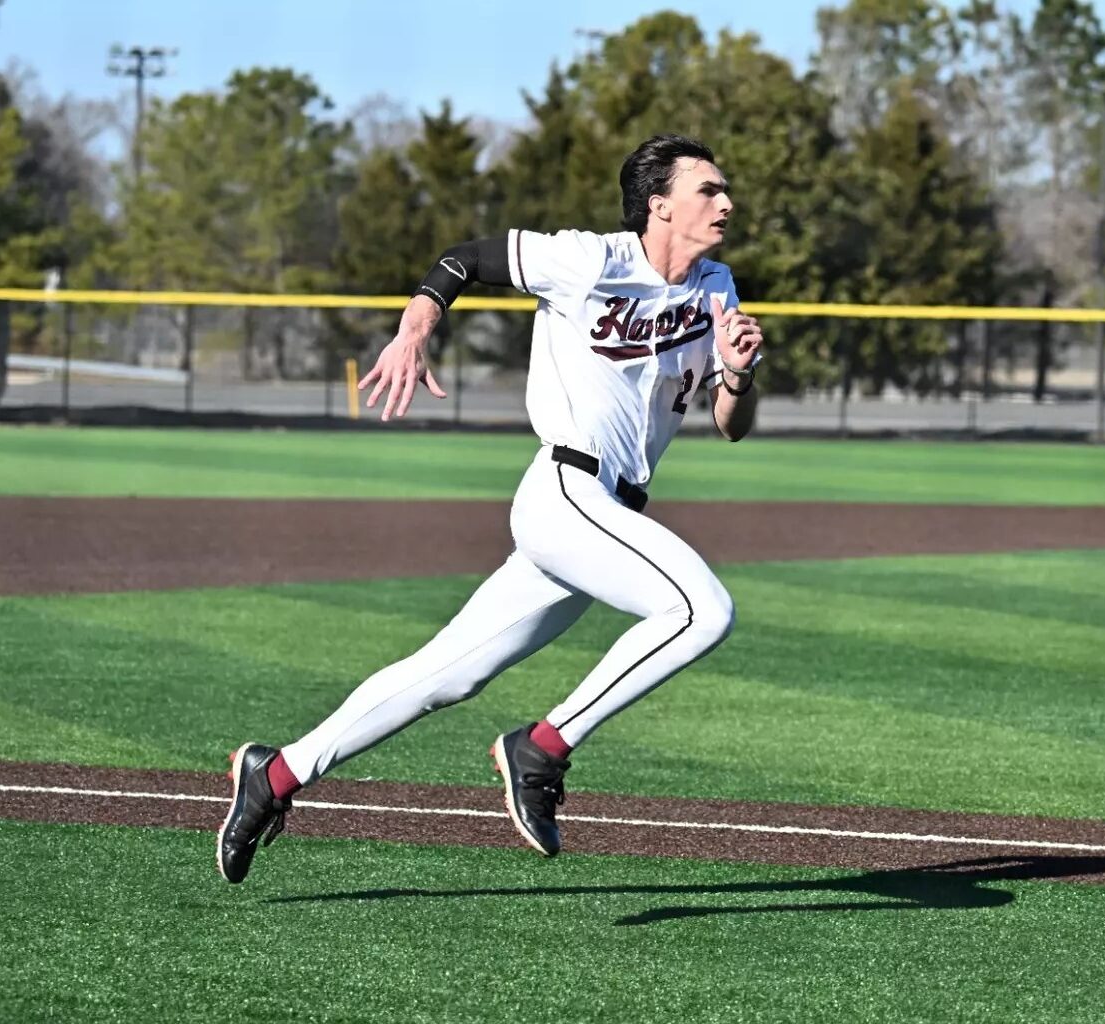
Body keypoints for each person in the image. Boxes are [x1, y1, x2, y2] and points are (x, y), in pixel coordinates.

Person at [216, 134, 765, 882]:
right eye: (709, 189)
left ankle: (274, 775)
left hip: (609, 518)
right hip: (567, 493)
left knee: (444, 675)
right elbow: (462, 258)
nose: (726, 201)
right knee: (703, 610)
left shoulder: (716, 287)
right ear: (659, 204)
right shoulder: (590, 260)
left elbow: (731, 424)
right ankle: (542, 748)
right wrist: (414, 330)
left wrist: (737, 373)